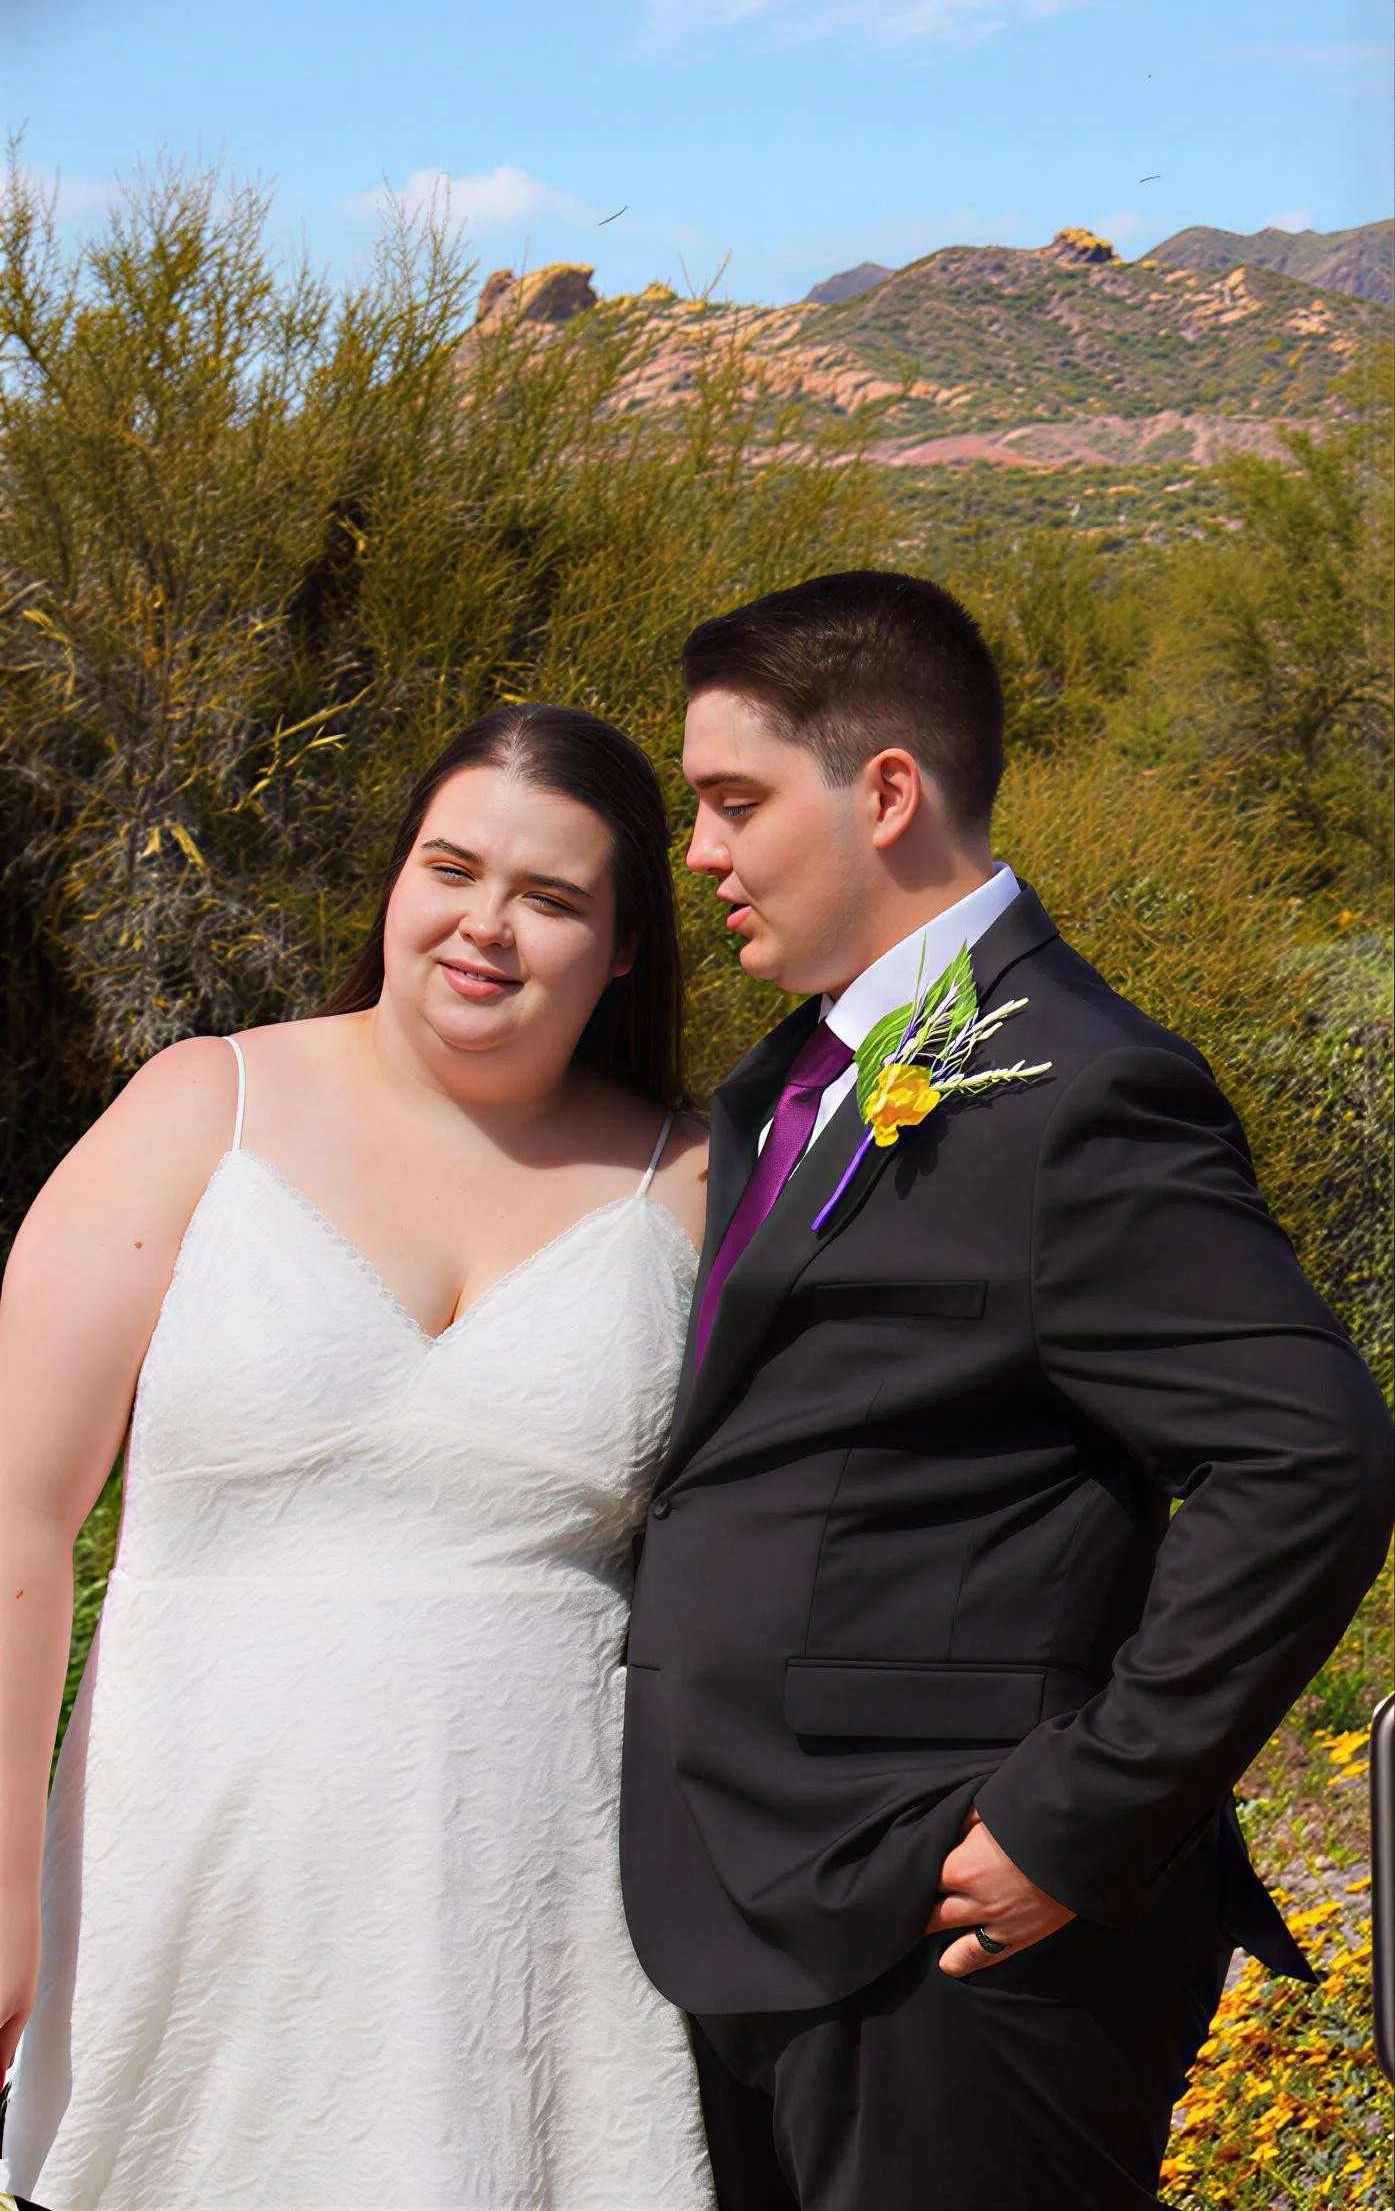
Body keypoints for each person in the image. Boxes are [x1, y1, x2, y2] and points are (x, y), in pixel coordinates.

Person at [619, 570, 1394, 2211]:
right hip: (750, 1917)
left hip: (957, 1939)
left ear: (885, 791)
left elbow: (1306, 1458)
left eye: (733, 800)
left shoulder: (1088, 1086)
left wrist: (1077, 1816)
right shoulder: (783, 1084)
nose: (700, 853)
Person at [0, 705, 716, 2211]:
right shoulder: (206, 1105)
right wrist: (1, 1882)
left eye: (552, 898)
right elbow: (18, 1514)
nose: (486, 927)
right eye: (451, 870)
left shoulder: (698, 1186)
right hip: (195, 1881)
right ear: (394, 880)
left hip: (532, 1925)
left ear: (629, 944)